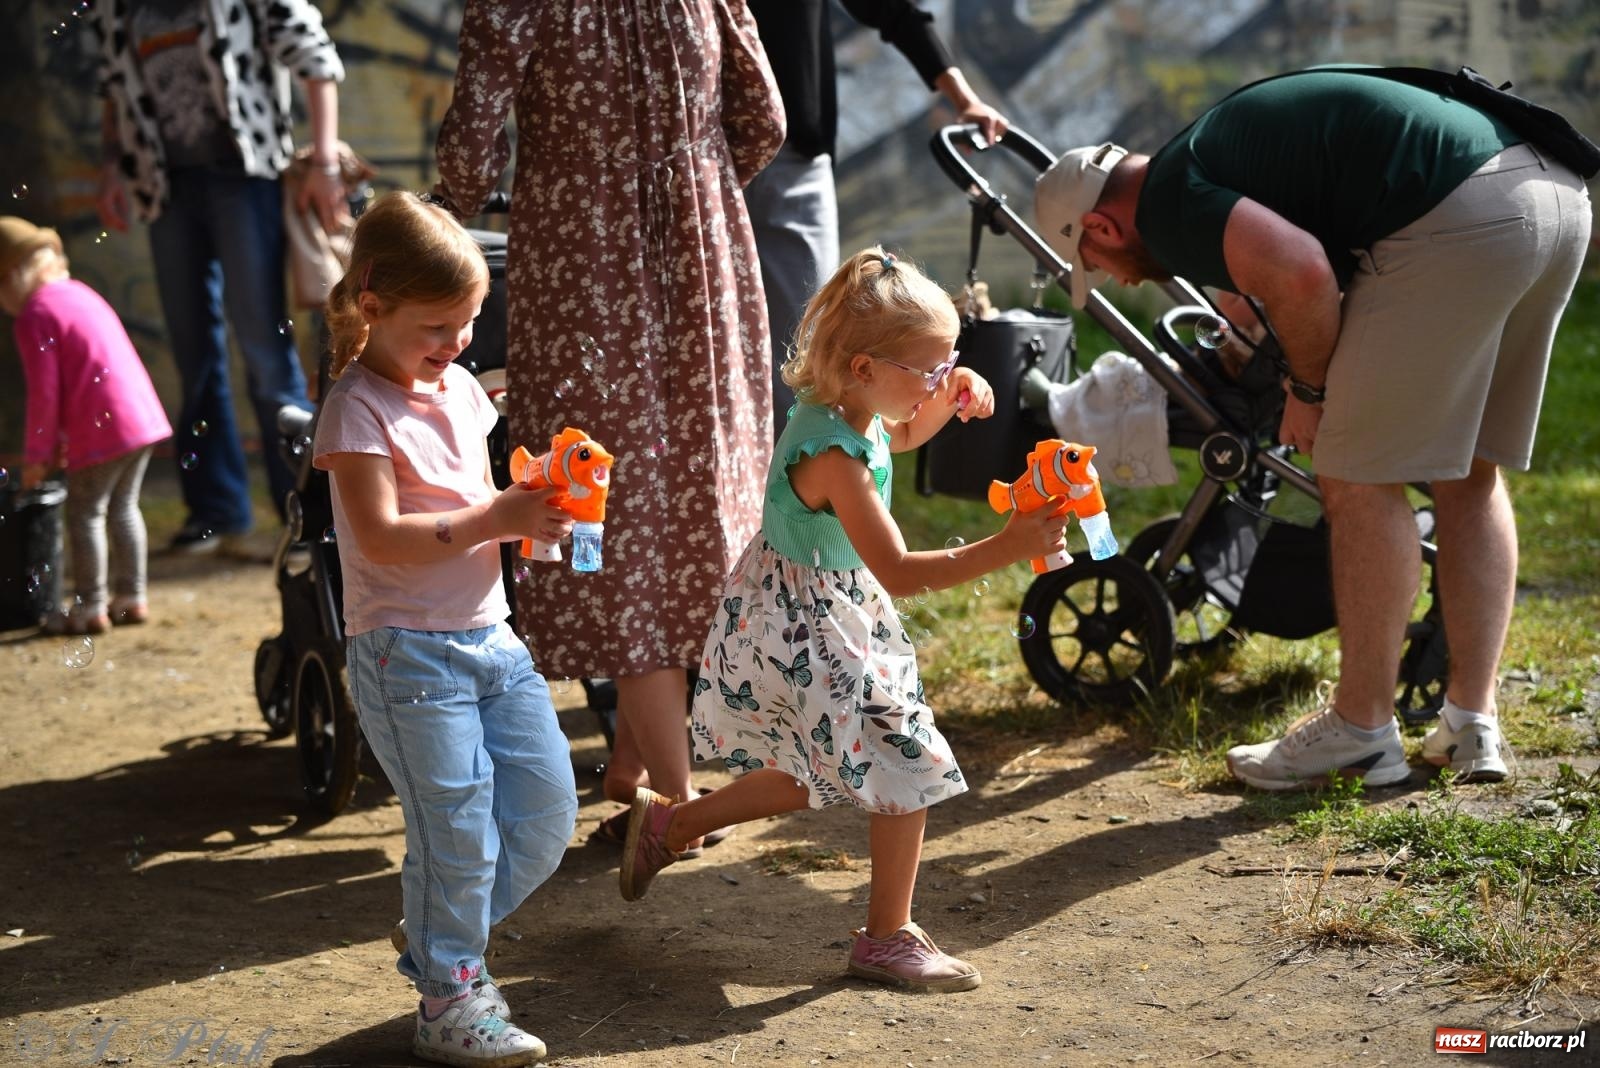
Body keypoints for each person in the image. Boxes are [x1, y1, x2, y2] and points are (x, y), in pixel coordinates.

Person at [1033, 68, 1593, 791]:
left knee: (1356, 474)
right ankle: (1469, 722)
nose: (1116, 278)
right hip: (1553, 197)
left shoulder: (1171, 203)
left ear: (1102, 228)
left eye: (1094, 263)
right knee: (1471, 471)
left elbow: (1299, 275)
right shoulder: (1209, 150)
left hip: (1461, 218)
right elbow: (1285, 253)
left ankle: (1361, 730)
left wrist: (1308, 388)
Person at [615, 248, 1071, 993]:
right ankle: (887, 938)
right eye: (928, 367)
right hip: (808, 626)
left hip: (817, 615)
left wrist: (944, 397)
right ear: (863, 367)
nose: (939, 376)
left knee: (808, 772)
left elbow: (901, 434)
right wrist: (1011, 544)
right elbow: (898, 570)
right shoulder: (831, 456)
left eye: (948, 358)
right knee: (906, 757)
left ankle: (673, 825)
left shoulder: (848, 413)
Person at [435, 1, 785, 854]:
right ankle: (630, 771)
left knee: (603, 499)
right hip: (706, 243)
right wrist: (688, 181)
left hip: (580, 248)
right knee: (694, 491)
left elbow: (473, 139)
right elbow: (763, 120)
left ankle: (675, 799)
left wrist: (451, 203)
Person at [312, 192, 579, 1067]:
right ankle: (448, 995)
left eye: (469, 321)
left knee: (545, 815)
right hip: (407, 654)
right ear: (372, 305)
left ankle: (437, 936)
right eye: (439, 324)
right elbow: (384, 535)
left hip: (492, 640)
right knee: (458, 830)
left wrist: (536, 508)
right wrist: (498, 517)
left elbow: (479, 495)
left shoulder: (462, 388)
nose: (459, 342)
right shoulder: (356, 411)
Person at [88, 0, 348, 553]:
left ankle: (298, 517)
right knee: (193, 353)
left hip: (245, 177)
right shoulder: (117, 8)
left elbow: (316, 57)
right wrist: (114, 165)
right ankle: (216, 513)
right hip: (165, 187)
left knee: (263, 347)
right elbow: (116, 86)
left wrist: (325, 162)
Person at [748, 0, 1009, 436]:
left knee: (806, 348)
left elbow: (892, 9)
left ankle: (799, 489)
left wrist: (963, 98)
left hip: (794, 146)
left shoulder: (885, 413)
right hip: (687, 153)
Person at [3, 216, 172, 634]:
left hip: (103, 430)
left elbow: (45, 394)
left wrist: (37, 456)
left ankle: (89, 606)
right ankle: (132, 597)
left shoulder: (34, 315)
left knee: (85, 512)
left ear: (9, 278)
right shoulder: (79, 293)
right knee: (123, 507)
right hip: (140, 420)